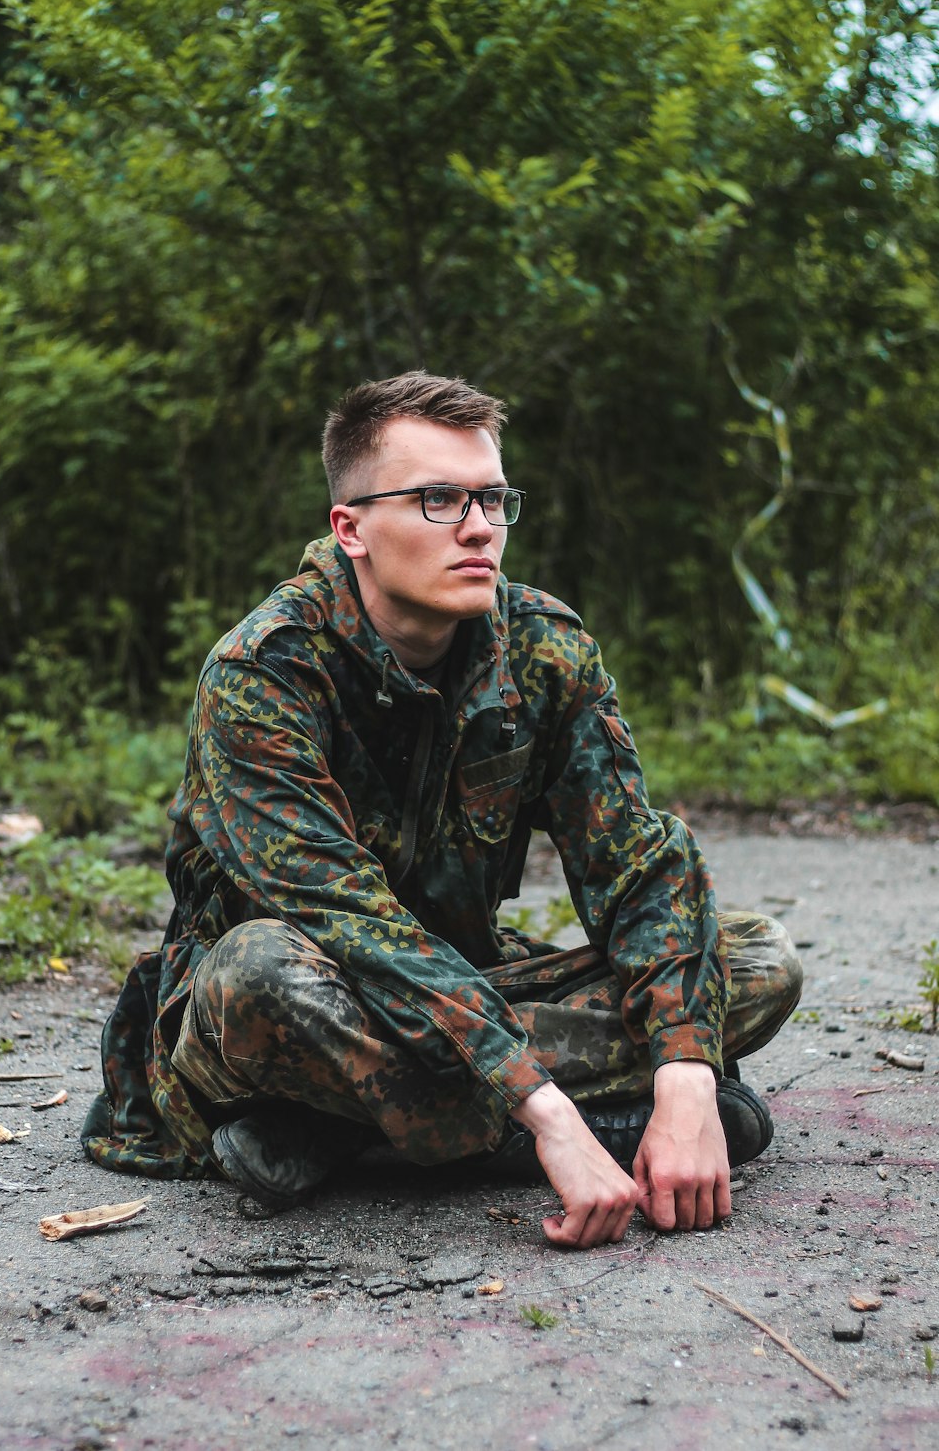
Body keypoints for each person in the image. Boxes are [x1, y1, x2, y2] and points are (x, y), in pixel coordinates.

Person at [83, 371, 802, 1249]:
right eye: (437, 500)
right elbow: (345, 920)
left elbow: (639, 868)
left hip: (460, 986)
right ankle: (541, 1130)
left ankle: (340, 1132)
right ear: (350, 528)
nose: (478, 527)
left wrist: (687, 1079)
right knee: (255, 971)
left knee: (756, 961)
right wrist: (546, 1118)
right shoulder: (264, 672)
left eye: (493, 499)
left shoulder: (543, 650)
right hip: (305, 999)